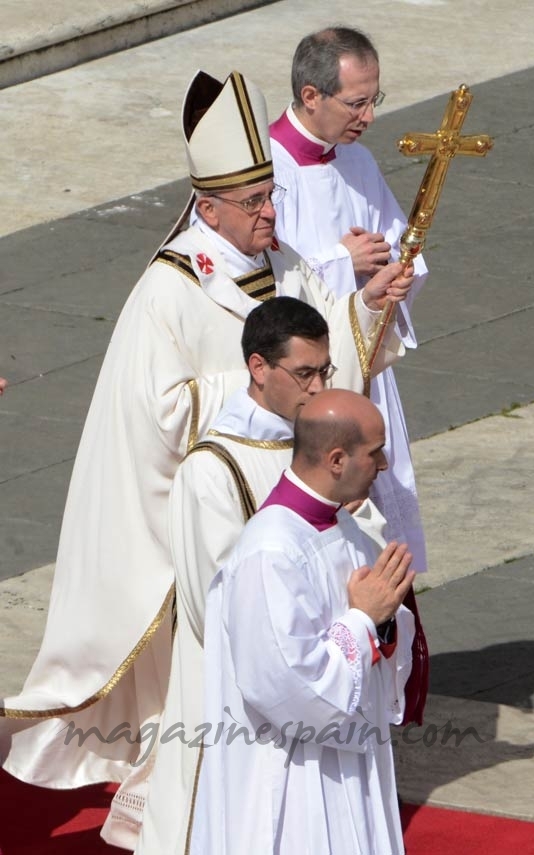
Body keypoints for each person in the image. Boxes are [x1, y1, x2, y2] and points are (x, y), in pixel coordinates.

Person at [0, 68, 413, 850]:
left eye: (271, 196)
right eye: (254, 202)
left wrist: (365, 306)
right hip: (208, 493)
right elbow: (154, 408)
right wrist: (255, 387)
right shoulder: (169, 288)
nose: (270, 212)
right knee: (221, 664)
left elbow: (324, 349)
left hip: (287, 483)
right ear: (208, 207)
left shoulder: (279, 258)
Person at [132, 297, 347, 853]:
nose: (318, 388)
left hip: (310, 671)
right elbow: (216, 608)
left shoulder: (318, 446)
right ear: (257, 368)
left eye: (325, 371)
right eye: (304, 374)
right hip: (230, 695)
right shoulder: (212, 469)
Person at [190, 388, 416, 855]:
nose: (384, 465)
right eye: (375, 453)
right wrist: (363, 621)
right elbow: (287, 688)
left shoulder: (346, 527)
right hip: (296, 776)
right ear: (337, 459)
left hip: (351, 755)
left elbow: (373, 626)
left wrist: (385, 622)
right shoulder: (269, 552)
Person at [270, 26, 429, 573]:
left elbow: (398, 241)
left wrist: (399, 277)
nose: (368, 117)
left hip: (370, 362)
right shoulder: (266, 171)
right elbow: (268, 289)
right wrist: (345, 265)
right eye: (356, 103)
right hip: (316, 379)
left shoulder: (357, 161)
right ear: (311, 95)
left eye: (373, 100)